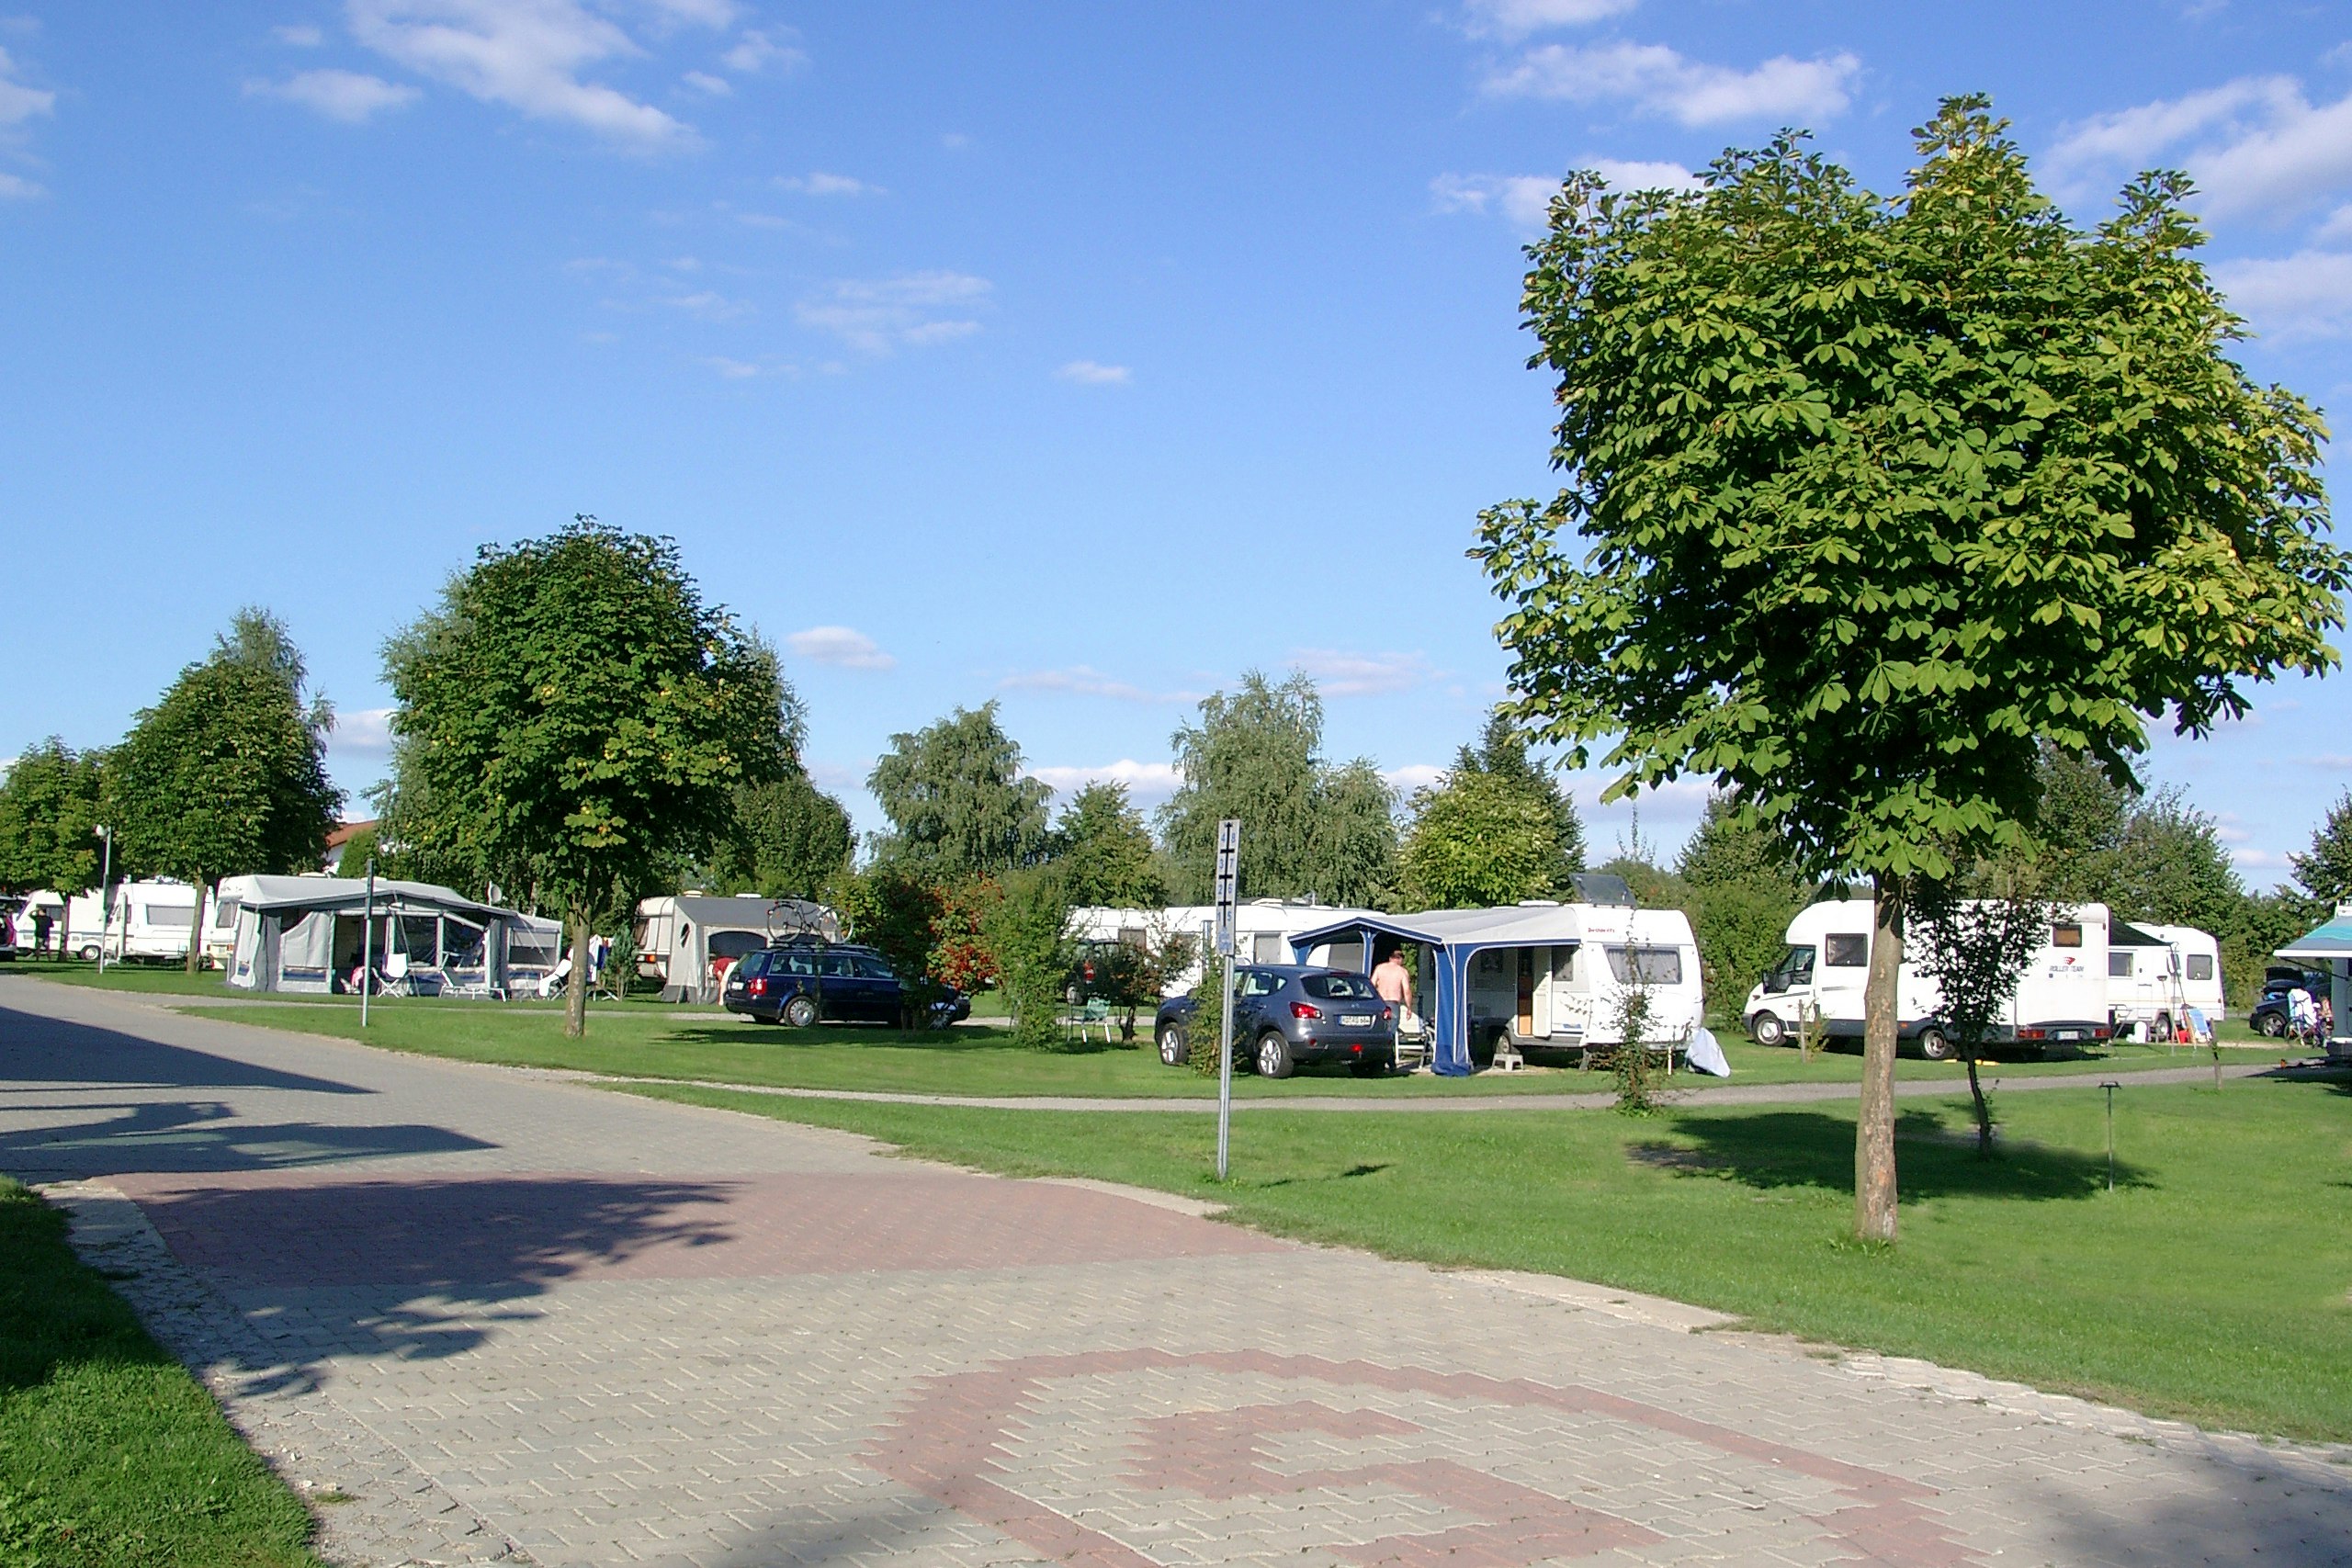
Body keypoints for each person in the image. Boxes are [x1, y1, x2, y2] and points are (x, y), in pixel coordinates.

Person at [1371, 949, 1414, 1021]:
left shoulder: (1379, 968)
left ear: (1390, 958)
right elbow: (1407, 991)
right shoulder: (1402, 971)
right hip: (1393, 1003)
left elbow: (1372, 985)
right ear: (1400, 959)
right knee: (1392, 1028)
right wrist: (1409, 1007)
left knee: (1380, 1026)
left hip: (1380, 1002)